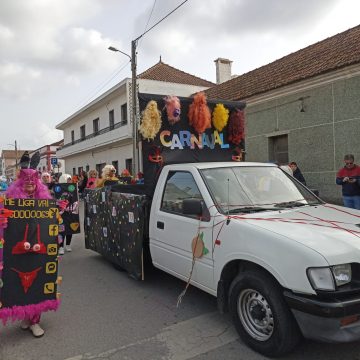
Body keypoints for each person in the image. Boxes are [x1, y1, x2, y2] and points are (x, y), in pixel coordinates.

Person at [5, 152, 53, 337]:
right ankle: (26, 317)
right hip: (18, 247)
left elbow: (51, 221)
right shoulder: (12, 200)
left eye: (33, 182)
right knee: (21, 282)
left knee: (37, 282)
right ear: (20, 182)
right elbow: (5, 224)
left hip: (37, 247)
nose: (30, 184)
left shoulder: (43, 200)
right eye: (27, 181)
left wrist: (59, 211)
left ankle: (35, 321)